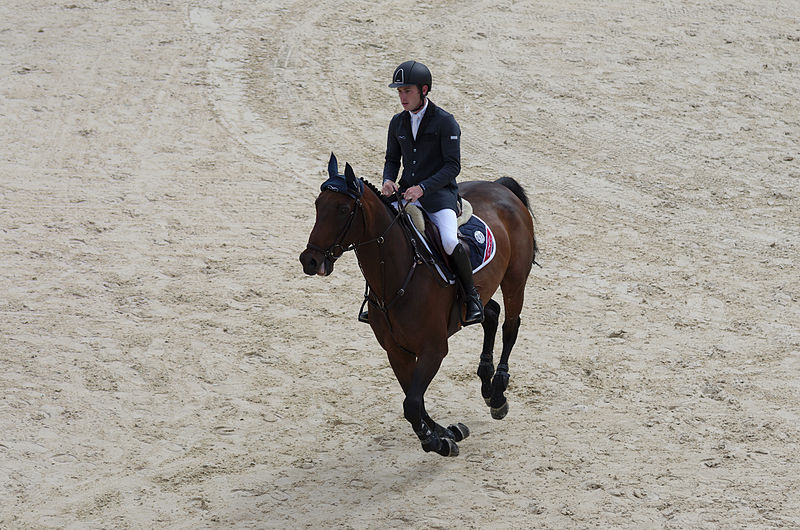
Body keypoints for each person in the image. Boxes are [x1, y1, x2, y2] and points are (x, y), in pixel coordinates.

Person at [359, 60, 484, 326]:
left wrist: (423, 188)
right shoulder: (397, 123)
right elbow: (392, 158)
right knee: (380, 235)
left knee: (450, 241)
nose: (402, 97)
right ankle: (374, 298)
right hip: (405, 195)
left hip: (439, 197)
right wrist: (388, 180)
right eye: (399, 92)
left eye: (407, 91)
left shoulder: (445, 122)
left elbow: (453, 166)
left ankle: (471, 297)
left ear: (423, 90)